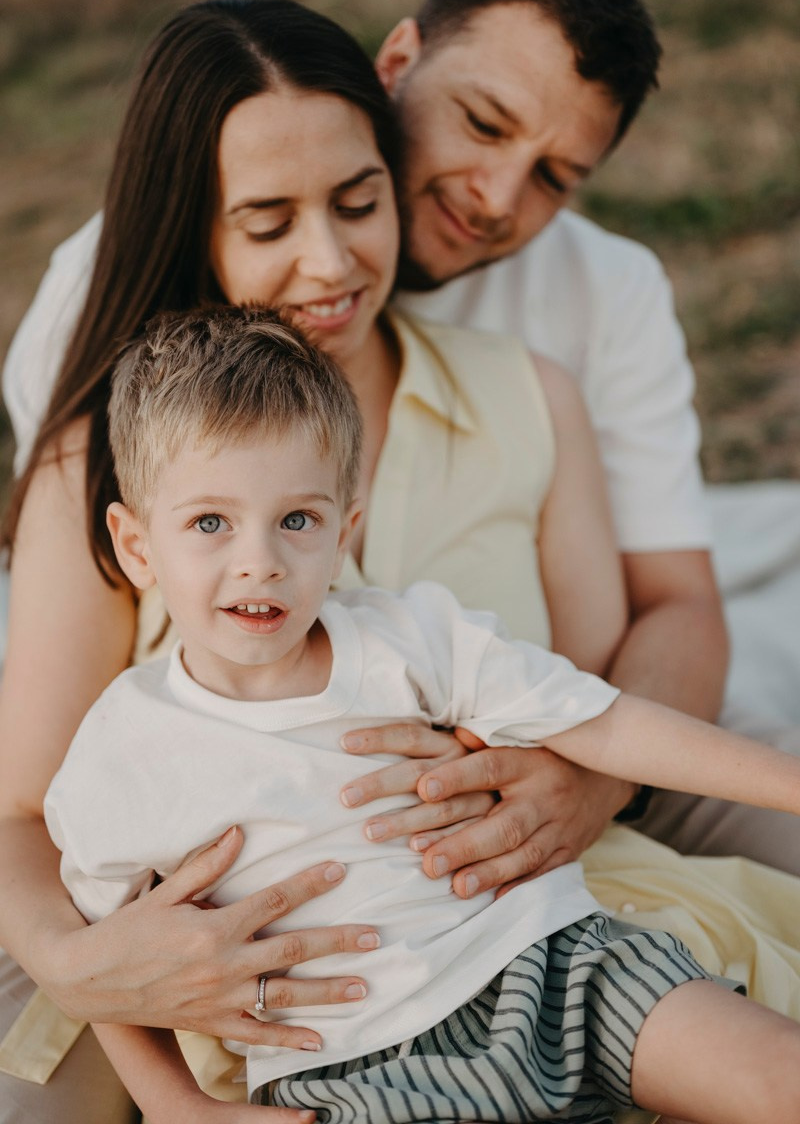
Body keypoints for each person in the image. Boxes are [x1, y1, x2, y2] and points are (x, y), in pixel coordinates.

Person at [2, 0, 800, 1124]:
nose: (327, 261)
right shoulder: (108, 466)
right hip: (307, 1001)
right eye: (267, 223)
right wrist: (96, 984)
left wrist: (581, 785)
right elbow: (34, 818)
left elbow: (592, 690)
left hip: (527, 905)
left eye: (358, 201)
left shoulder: (514, 402)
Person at [45, 305, 800, 1124]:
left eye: (297, 520)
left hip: (555, 964)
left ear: (344, 535)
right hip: (348, 1063)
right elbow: (105, 959)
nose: (258, 561)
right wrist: (175, 1106)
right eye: (210, 523)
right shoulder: (122, 749)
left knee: (774, 1075)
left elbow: (606, 724)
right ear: (137, 547)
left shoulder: (410, 637)